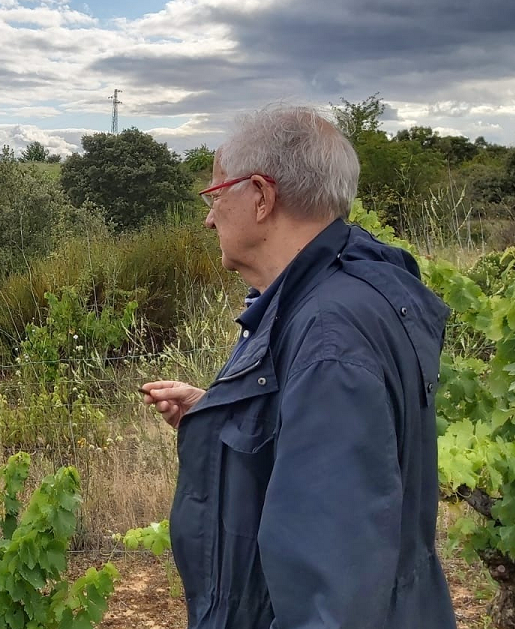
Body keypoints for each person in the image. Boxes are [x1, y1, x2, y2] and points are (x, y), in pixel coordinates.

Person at [140, 106, 458, 629]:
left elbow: (334, 589)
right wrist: (222, 412)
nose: (209, 215)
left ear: (261, 197)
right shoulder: (341, 293)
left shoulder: (330, 336)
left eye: (217, 194)